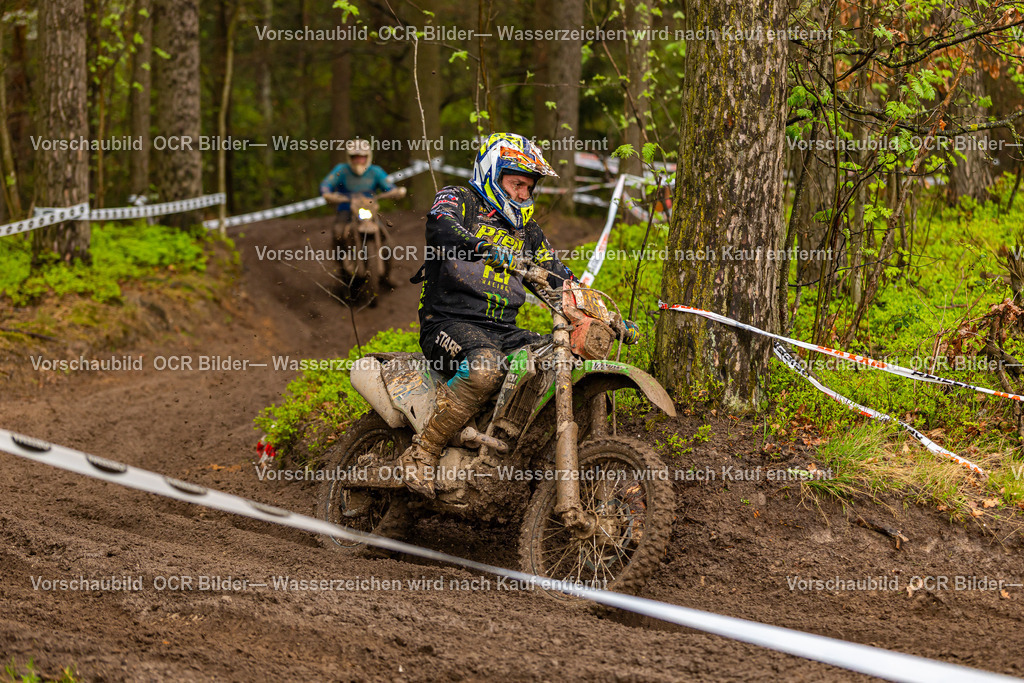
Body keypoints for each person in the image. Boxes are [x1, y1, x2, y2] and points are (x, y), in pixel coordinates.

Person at [399, 133, 639, 498]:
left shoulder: (528, 232)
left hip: (502, 330)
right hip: (447, 323)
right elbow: (441, 227)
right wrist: (483, 246)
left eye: (529, 187)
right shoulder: (459, 199)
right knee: (485, 368)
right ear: (492, 175)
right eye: (517, 184)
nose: (525, 194)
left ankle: (526, 459)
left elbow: (561, 280)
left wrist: (607, 316)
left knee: (559, 364)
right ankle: (423, 452)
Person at [320, 138, 406, 293]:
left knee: (388, 241)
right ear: (349, 157)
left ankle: (387, 275)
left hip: (370, 210)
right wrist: (327, 192)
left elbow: (388, 185)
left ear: (368, 156)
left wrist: (396, 191)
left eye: (362, 157)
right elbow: (327, 183)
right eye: (355, 157)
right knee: (338, 232)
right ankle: (342, 269)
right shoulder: (342, 170)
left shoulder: (375, 171)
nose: (359, 160)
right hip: (346, 209)